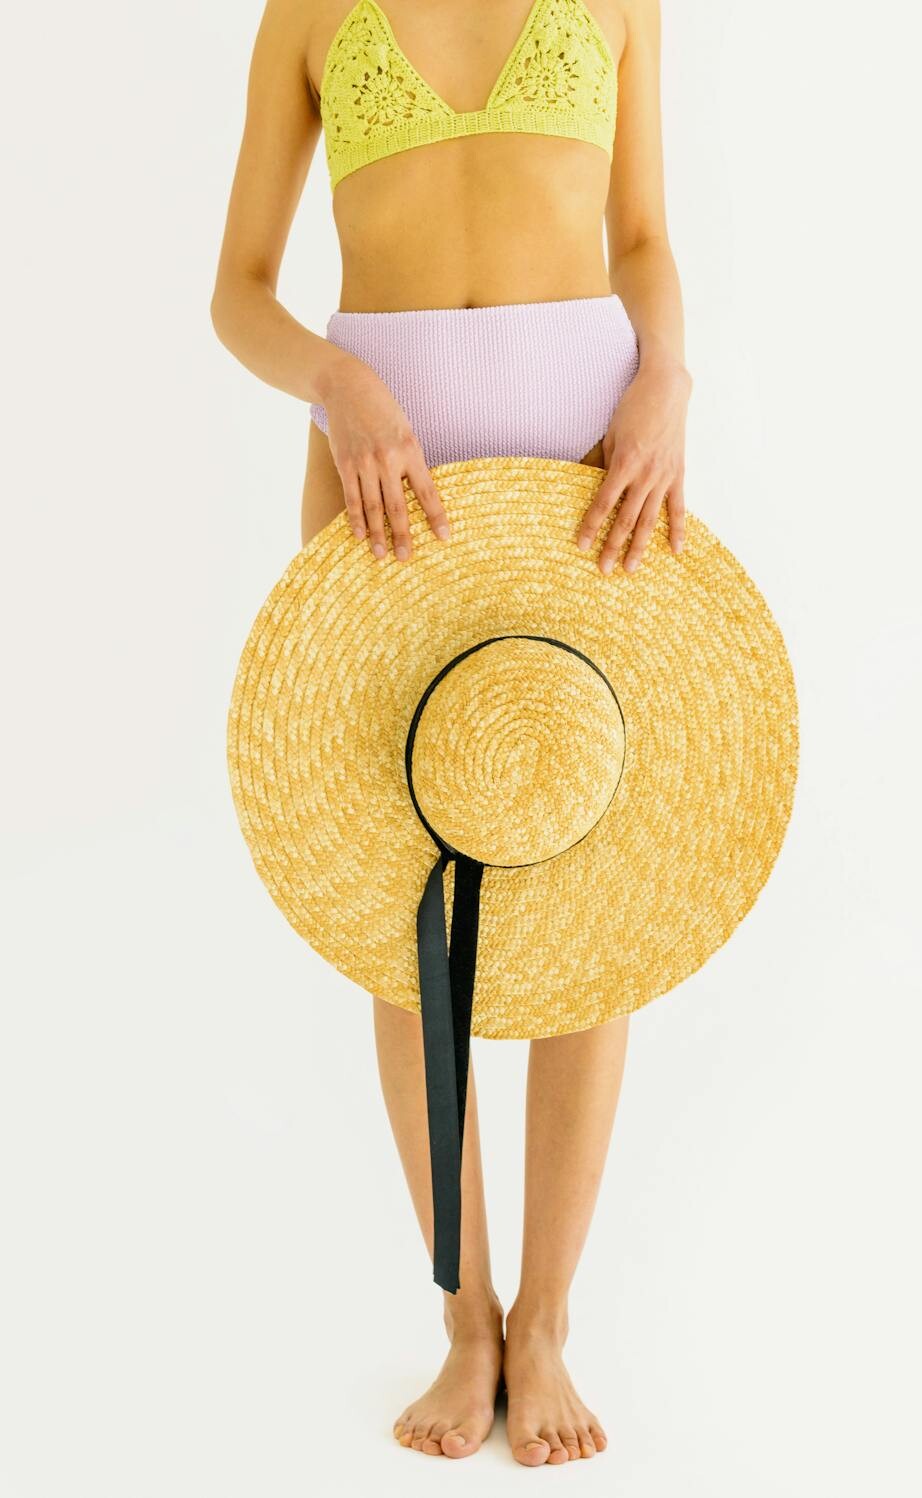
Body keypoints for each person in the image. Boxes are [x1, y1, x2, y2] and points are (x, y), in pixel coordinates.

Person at [210, 0, 692, 1465]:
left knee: (586, 877)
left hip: (589, 455)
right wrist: (335, 380)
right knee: (404, 903)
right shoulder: (307, 12)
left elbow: (641, 236)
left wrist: (668, 376)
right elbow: (238, 290)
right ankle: (466, 1316)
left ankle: (547, 1320)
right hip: (384, 464)